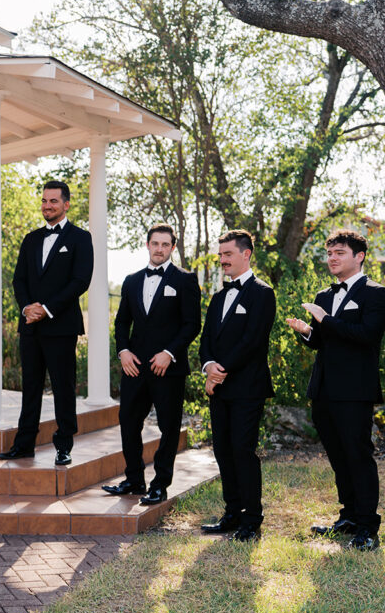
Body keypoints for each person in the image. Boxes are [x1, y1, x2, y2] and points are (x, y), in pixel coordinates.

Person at [286, 229, 384, 551]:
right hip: (324, 390)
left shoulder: (376, 294)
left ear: (359, 256)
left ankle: (368, 527)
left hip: (355, 391)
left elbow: (367, 335)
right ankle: (349, 517)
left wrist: (325, 321)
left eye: (339, 253)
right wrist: (306, 332)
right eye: (329, 253)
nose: (332, 258)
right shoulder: (323, 296)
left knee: (358, 456)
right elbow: (322, 341)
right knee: (339, 457)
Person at [103, 224, 201, 504]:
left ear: (172, 247)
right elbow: (122, 321)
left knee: (169, 427)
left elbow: (192, 324)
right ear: (147, 245)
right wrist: (122, 351)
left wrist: (169, 352)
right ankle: (134, 479)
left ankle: (160, 484)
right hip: (134, 367)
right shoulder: (132, 280)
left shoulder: (185, 280)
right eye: (155, 243)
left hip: (168, 369)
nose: (159, 249)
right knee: (127, 421)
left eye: (165, 244)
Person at [0, 180, 93, 466]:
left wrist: (47, 309)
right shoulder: (31, 239)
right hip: (30, 325)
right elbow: (19, 279)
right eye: (44, 201)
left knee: (64, 388)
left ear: (66, 204)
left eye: (53, 201)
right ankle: (24, 444)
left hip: (61, 326)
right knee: (30, 387)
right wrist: (28, 308)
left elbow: (80, 281)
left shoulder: (80, 238)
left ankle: (64, 446)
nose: (47, 206)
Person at [197, 230, 275, 542]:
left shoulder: (262, 293)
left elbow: (252, 342)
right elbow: (206, 341)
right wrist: (207, 366)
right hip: (219, 389)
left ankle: (252, 520)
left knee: (243, 451)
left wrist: (220, 370)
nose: (223, 260)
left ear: (246, 254)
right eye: (220, 255)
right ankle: (232, 512)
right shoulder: (218, 297)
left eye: (228, 254)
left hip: (248, 387)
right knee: (223, 451)